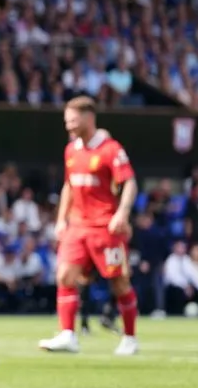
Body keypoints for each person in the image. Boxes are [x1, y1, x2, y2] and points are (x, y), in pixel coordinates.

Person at [39, 96, 139, 356]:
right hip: (78, 226)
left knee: (119, 283)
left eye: (72, 121)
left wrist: (122, 214)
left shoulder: (111, 149)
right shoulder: (71, 150)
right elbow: (69, 186)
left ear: (88, 118)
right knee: (64, 276)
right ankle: (68, 335)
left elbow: (129, 183)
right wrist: (61, 219)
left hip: (106, 227)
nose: (68, 126)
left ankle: (130, 338)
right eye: (66, 121)